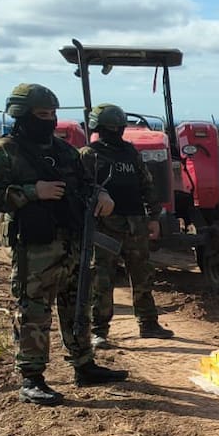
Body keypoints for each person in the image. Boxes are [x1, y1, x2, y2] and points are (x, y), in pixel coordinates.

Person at [0, 83, 128, 406]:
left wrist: (103, 196)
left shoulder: (64, 152)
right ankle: (31, 378)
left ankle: (84, 365)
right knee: (34, 310)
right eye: (42, 114)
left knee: (77, 305)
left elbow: (86, 184)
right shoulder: (4, 152)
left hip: (72, 243)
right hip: (35, 248)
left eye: (53, 114)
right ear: (21, 115)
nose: (50, 120)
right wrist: (33, 191)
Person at [79, 103, 174, 348]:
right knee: (102, 279)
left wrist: (153, 217)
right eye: (110, 127)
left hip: (136, 224)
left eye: (118, 127)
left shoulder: (131, 153)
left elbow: (146, 186)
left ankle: (149, 324)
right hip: (104, 228)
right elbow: (80, 189)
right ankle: (99, 330)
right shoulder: (89, 155)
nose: (115, 131)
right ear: (99, 128)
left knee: (142, 275)